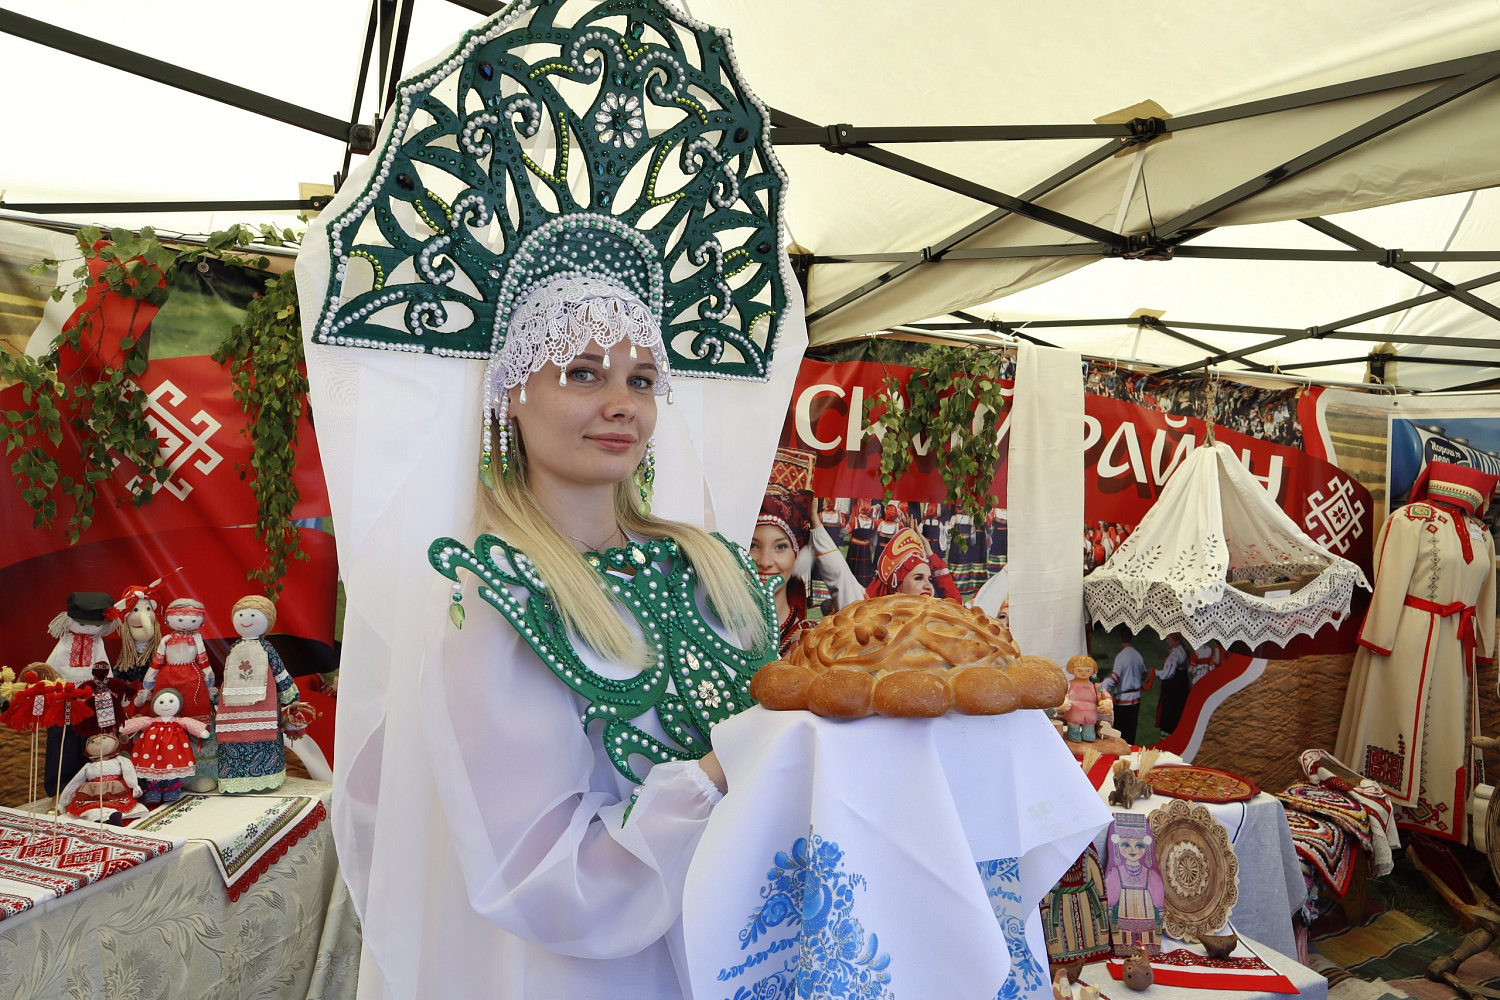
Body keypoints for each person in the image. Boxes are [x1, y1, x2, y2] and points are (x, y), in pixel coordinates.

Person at [296, 9, 801, 993]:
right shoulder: (488, 600)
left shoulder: (708, 565)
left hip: (741, 954)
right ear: (510, 392)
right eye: (581, 370)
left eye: (643, 378)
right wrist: (709, 784)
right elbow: (539, 876)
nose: (621, 402)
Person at [1101, 633, 1148, 745]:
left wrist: (1103, 686)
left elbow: (1114, 679)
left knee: (1120, 732)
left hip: (1123, 700)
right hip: (1136, 699)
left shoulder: (1121, 657)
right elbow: (1144, 674)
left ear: (1121, 639)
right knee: (1132, 730)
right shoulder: (1138, 655)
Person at [1155, 634, 1191, 735]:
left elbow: (1168, 674)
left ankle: (1168, 731)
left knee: (1170, 707)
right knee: (1179, 706)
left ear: (1174, 639)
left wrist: (1156, 672)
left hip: (1174, 685)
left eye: (1168, 638)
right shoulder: (1182, 648)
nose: (1166, 641)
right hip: (1182, 682)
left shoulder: (1175, 654)